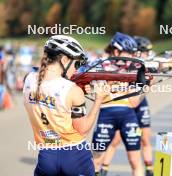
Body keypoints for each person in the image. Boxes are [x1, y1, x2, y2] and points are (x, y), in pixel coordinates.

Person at [23, 35, 109, 176]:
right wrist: (99, 100)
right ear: (64, 59)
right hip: (75, 155)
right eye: (76, 64)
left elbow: (52, 99)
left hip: (46, 155)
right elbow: (83, 130)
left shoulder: (29, 79)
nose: (76, 70)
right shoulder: (71, 89)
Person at [100, 36, 154, 176]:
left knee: (145, 137)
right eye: (146, 52)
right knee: (115, 139)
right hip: (123, 105)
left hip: (138, 103)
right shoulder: (121, 64)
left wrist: (147, 83)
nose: (148, 55)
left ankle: (149, 170)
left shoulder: (141, 64)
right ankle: (103, 169)